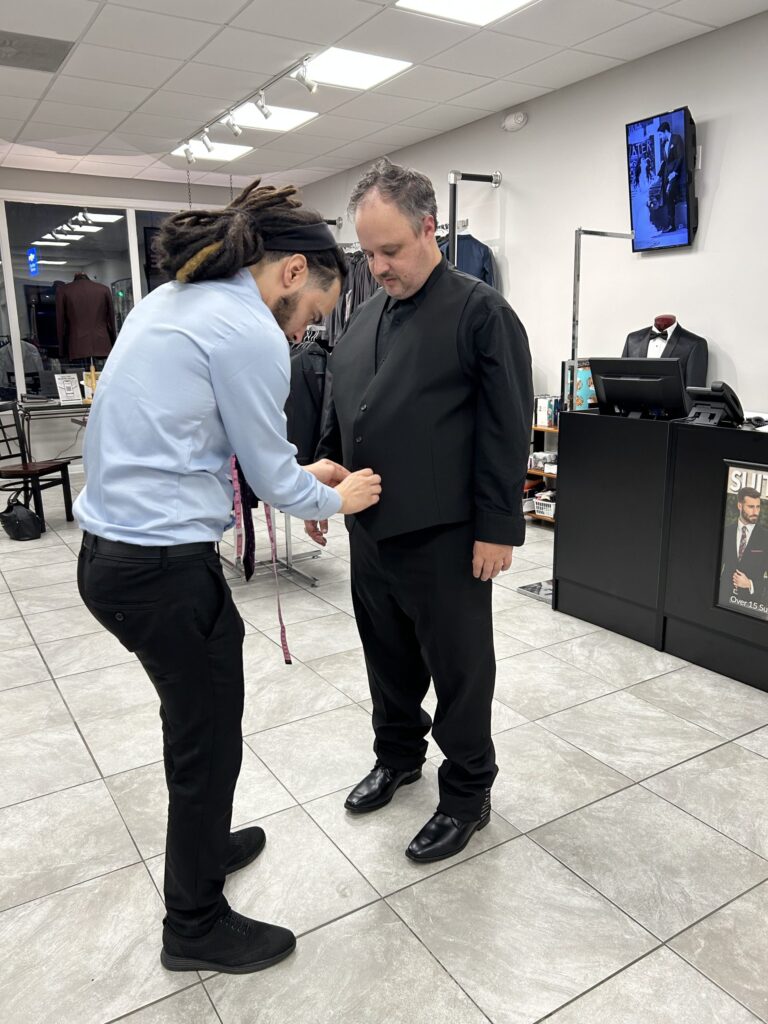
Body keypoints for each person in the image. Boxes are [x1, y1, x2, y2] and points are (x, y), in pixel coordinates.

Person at [74, 180, 382, 975]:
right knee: (207, 742)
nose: (310, 324)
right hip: (159, 571)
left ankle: (205, 850)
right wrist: (332, 494)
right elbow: (275, 479)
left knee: (201, 722)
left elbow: (197, 438)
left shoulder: (171, 301)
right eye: (316, 308)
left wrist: (296, 472)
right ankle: (196, 925)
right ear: (289, 274)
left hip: (113, 556)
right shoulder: (247, 330)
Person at [309, 158, 533, 863]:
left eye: (391, 250)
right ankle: (398, 754)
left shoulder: (480, 312)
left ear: (430, 228)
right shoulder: (368, 312)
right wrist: (322, 481)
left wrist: (498, 528)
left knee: (461, 672)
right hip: (371, 528)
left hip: (446, 535)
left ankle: (467, 793)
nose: (378, 266)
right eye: (368, 253)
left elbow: (508, 426)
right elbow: (344, 400)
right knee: (387, 659)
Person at [719, 486, 768, 613]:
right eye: (751, 507)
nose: (756, 511)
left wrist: (750, 584)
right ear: (740, 506)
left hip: (751, 608)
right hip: (722, 604)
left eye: (758, 506)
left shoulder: (766, 538)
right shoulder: (726, 532)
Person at [657, 121, 685, 233]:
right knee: (667, 198)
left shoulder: (676, 139)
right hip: (666, 176)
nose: (659, 137)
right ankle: (670, 224)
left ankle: (671, 225)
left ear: (665, 132)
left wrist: (675, 172)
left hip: (675, 174)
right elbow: (666, 162)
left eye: (660, 135)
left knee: (669, 196)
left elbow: (681, 157)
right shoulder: (664, 145)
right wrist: (659, 174)